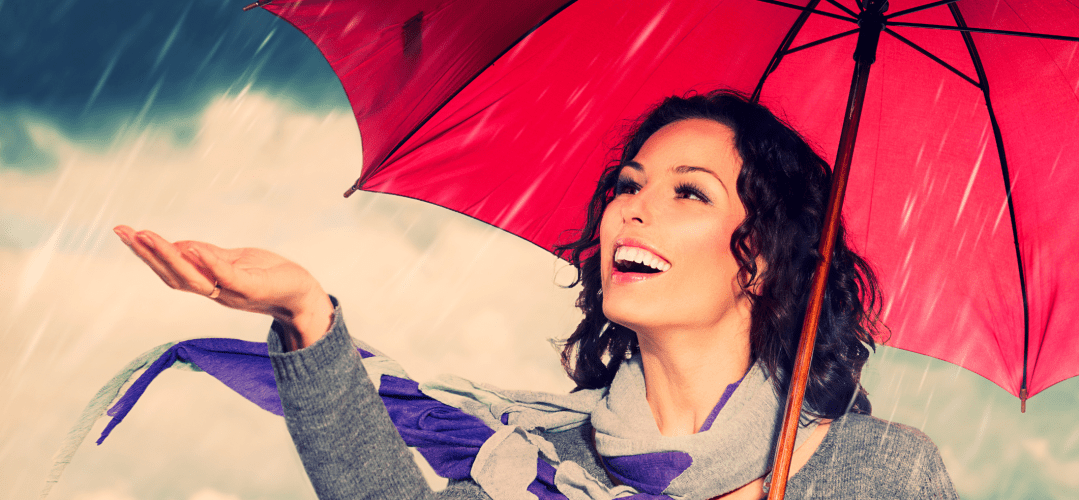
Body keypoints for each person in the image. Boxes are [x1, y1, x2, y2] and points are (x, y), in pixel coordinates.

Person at [113, 91, 958, 499]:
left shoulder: (879, 470)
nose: (633, 207)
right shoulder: (537, 467)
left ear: (760, 259)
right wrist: (305, 312)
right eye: (629, 185)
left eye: (688, 193)